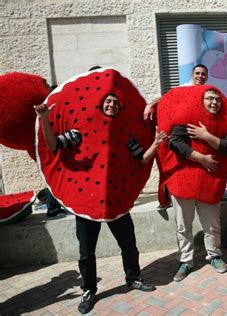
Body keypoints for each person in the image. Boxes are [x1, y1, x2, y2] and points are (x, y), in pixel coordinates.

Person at [34, 93, 166, 314]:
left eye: (115, 102)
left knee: (129, 246)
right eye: (108, 101)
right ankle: (88, 290)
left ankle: (133, 278)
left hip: (117, 199)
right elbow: (54, 145)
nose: (111, 105)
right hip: (87, 202)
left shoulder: (125, 134)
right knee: (86, 253)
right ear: (100, 105)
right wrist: (44, 119)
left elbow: (141, 159)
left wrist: (157, 142)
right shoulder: (80, 131)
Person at [167, 88, 227, 282]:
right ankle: (185, 261)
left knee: (212, 224)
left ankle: (214, 255)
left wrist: (207, 136)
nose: (214, 102)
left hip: (210, 182)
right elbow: (175, 142)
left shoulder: (226, 122)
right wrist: (201, 159)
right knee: (183, 226)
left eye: (217, 99)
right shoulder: (188, 118)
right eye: (210, 98)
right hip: (184, 182)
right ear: (201, 101)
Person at [143, 64, 208, 121]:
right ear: (192, 75)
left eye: (203, 74)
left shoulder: (209, 92)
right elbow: (165, 97)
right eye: (197, 73)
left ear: (207, 77)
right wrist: (150, 105)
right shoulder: (183, 88)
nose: (200, 76)